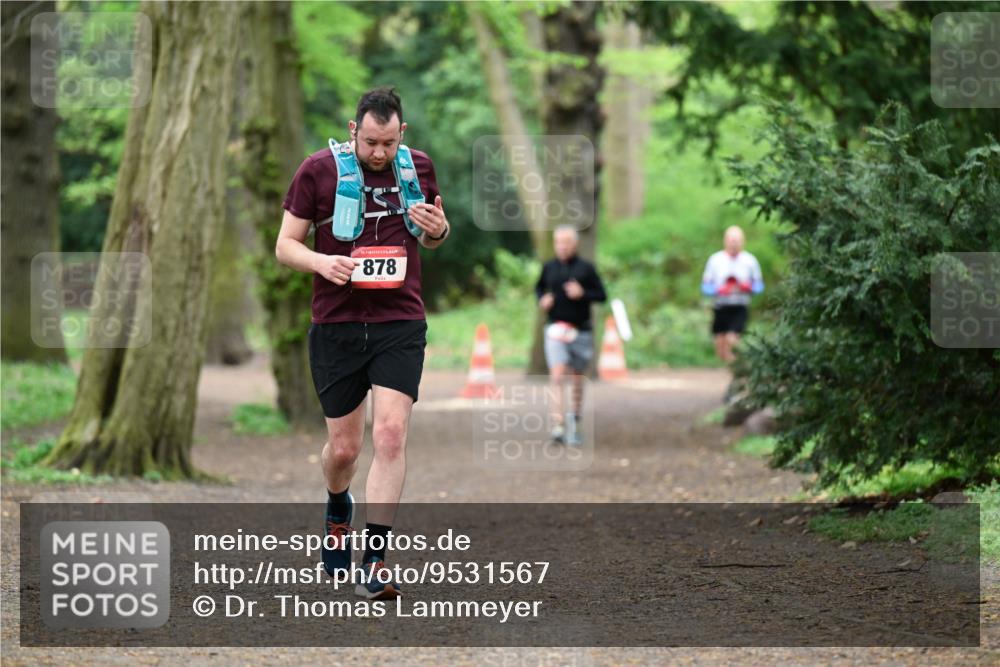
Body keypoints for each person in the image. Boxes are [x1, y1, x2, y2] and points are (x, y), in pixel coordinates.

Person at [275, 87, 449, 600]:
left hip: (400, 322)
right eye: (371, 142)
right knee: (345, 450)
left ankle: (374, 561)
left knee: (390, 435)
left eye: (388, 143)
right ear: (354, 131)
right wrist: (321, 262)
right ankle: (337, 505)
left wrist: (439, 230)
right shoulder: (317, 171)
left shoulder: (417, 168)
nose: (379, 152)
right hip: (338, 324)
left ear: (402, 133)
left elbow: (431, 238)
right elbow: (285, 245)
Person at [535, 225, 607, 446]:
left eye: (566, 243)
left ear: (575, 244)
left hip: (580, 331)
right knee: (557, 376)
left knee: (577, 378)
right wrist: (542, 300)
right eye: (558, 242)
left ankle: (574, 419)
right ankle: (557, 425)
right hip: (556, 329)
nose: (562, 247)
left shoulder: (586, 269)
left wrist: (582, 293)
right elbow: (539, 289)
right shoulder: (549, 268)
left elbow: (602, 295)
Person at [701, 225, 764, 363]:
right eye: (731, 240)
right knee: (720, 343)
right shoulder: (715, 260)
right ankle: (724, 364)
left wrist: (749, 287)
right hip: (720, 305)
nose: (734, 243)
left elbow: (759, 285)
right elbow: (705, 286)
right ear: (725, 241)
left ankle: (734, 365)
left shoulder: (750, 261)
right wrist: (718, 290)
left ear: (743, 241)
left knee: (732, 338)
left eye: (737, 240)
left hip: (740, 305)